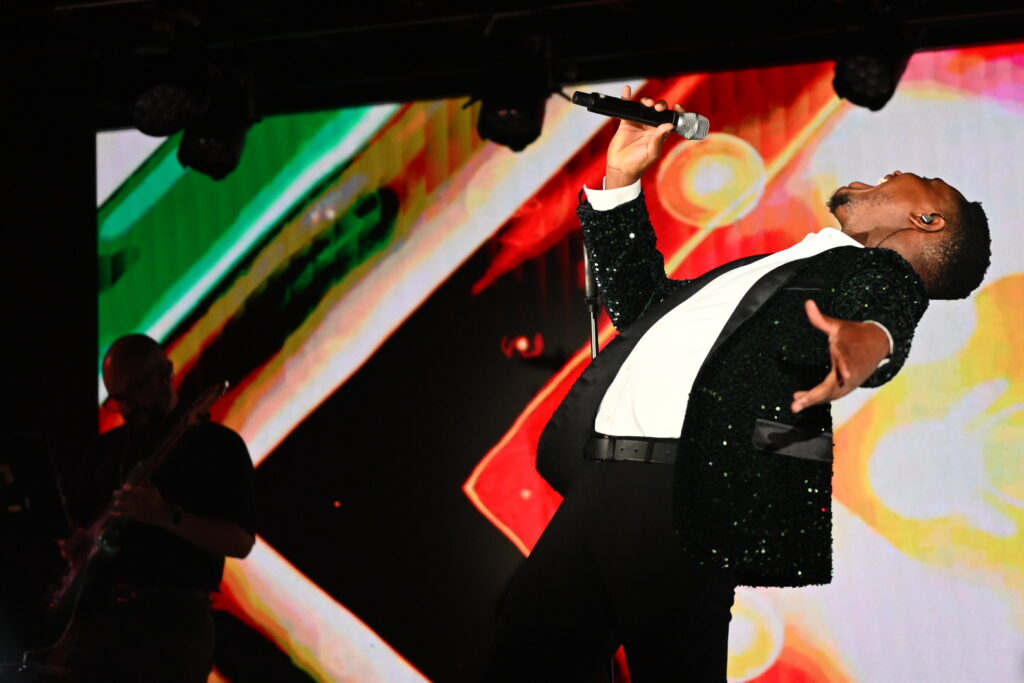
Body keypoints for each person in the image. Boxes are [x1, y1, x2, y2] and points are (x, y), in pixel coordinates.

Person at [483, 87, 991, 682]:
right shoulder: (787, 269)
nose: (899, 170)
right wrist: (621, 178)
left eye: (919, 180)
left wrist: (866, 343)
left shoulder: (878, 273)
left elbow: (884, 314)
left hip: (684, 491)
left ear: (925, 221)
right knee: (522, 665)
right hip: (605, 480)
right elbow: (643, 308)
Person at [48, 334, 255, 683]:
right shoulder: (104, 451)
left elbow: (240, 542)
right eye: (119, 399)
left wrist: (166, 516)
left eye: (137, 391)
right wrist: (74, 542)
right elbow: (76, 523)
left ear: (166, 372)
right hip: (97, 620)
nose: (129, 407)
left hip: (173, 627)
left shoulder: (219, 447)